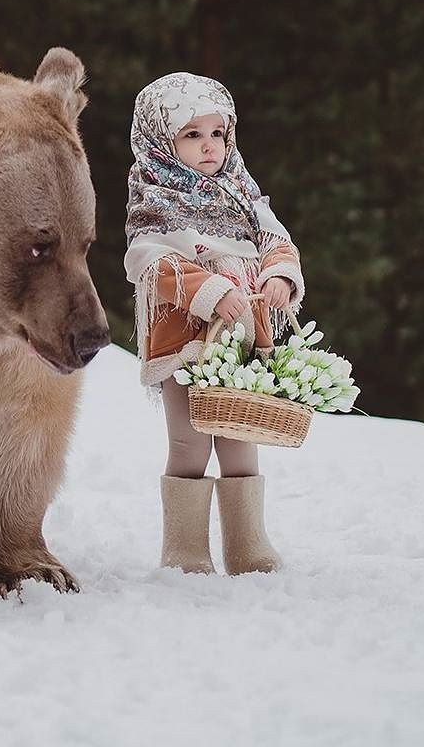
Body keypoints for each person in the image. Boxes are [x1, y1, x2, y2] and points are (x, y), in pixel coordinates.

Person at [124, 72, 303, 575]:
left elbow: (276, 240)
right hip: (186, 340)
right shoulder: (155, 199)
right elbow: (144, 260)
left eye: (217, 133)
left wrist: (279, 278)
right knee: (189, 437)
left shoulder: (241, 191)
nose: (209, 147)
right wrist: (211, 290)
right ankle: (184, 547)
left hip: (243, 337)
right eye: (192, 134)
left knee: (238, 432)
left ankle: (248, 545)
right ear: (162, 139)